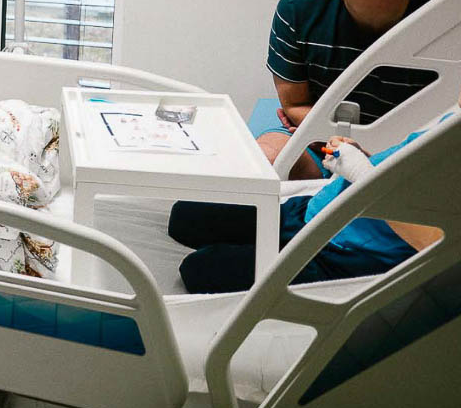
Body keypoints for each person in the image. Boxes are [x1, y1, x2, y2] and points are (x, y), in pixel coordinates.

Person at [169, 95, 453, 293]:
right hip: (313, 212)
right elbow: (401, 171)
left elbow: (437, 243)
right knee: (186, 216)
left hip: (342, 257)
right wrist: (357, 156)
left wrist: (362, 174)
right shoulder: (453, 124)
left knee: (199, 270)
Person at [260, 0, 448, 178]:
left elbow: (445, 124)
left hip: (407, 152)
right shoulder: (297, 10)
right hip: (321, 141)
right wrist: (332, 140)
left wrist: (367, 156)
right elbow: (295, 105)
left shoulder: (443, 31)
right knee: (266, 160)